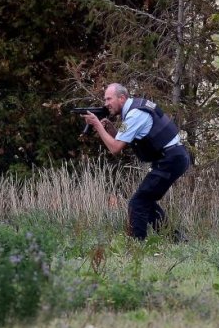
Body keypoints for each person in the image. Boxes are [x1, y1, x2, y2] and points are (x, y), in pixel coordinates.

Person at [81, 83, 190, 240]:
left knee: (138, 202)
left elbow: (115, 148)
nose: (106, 104)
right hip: (172, 157)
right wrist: (111, 130)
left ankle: (136, 245)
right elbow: (124, 139)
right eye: (105, 100)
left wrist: (98, 126)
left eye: (109, 99)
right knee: (146, 201)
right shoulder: (136, 109)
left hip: (171, 159)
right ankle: (177, 240)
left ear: (122, 98)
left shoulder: (135, 114)